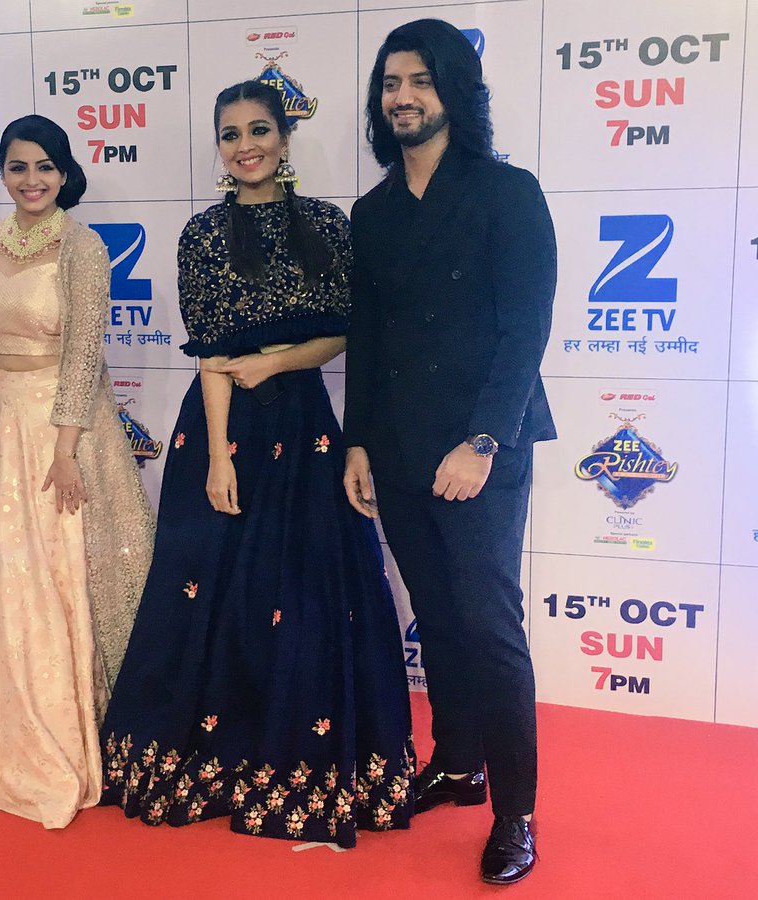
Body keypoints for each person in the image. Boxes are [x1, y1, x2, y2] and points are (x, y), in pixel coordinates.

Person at [99, 80, 415, 847]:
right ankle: (211, 759)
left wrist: (275, 363)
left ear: (284, 136)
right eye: (231, 134)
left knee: (304, 593)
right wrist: (217, 458)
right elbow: (211, 353)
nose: (246, 146)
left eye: (259, 130)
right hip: (221, 427)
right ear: (219, 146)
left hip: (303, 427)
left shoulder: (326, 225)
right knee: (210, 592)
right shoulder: (204, 234)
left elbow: (345, 329)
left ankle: (293, 759)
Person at [344, 19, 557, 885]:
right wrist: (358, 442)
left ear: (455, 93)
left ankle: (516, 812)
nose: (403, 96)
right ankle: (459, 762)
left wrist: (483, 441)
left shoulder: (508, 192)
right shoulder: (373, 213)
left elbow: (525, 331)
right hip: (397, 448)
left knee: (488, 625)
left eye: (421, 81)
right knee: (435, 613)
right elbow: (368, 337)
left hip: (482, 447)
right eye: (392, 82)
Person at [0, 115, 154, 829]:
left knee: (61, 569)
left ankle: (75, 731)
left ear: (64, 173)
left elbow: (85, 348)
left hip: (62, 427)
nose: (32, 180)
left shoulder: (82, 245)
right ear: (2, 171)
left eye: (45, 167)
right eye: (18, 166)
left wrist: (65, 447)